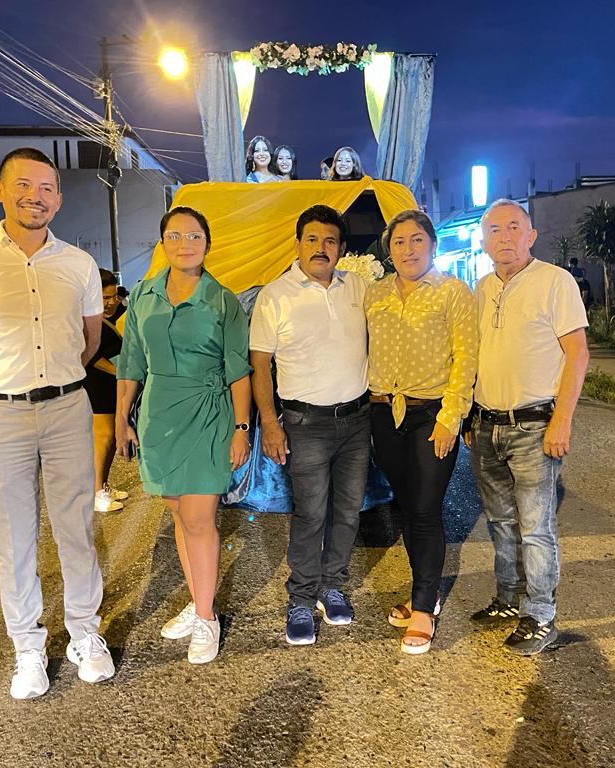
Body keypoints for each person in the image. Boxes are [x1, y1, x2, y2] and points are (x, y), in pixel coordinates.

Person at [0, 147, 115, 700]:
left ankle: (85, 633)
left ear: (58, 200)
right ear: (0, 190)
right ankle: (28, 647)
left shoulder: (78, 264)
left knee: (75, 527)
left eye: (45, 188)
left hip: (66, 408)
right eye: (23, 185)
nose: (34, 196)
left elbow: (90, 339)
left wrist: (58, 377)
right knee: (14, 536)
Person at [115, 206, 252, 665]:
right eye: (174, 235)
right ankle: (199, 601)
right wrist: (121, 418)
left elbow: (239, 370)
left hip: (209, 413)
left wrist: (241, 428)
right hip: (158, 415)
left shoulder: (223, 301)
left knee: (199, 517)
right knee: (178, 512)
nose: (184, 244)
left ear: (208, 244)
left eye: (194, 236)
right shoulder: (143, 295)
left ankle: (207, 618)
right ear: (162, 243)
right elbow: (131, 361)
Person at [466, 199, 589, 656]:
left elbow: (578, 354)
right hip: (486, 425)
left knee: (536, 526)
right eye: (495, 230)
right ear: (484, 241)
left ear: (531, 235)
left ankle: (540, 614)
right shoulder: (481, 288)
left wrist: (562, 420)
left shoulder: (555, 282)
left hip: (535, 425)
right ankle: (508, 599)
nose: (505, 237)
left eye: (514, 227)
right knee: (500, 521)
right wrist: (469, 416)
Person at [250, 205, 370, 646]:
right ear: (298, 244)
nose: (321, 248)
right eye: (313, 239)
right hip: (305, 424)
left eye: (330, 241)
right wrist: (270, 423)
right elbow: (259, 365)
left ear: (342, 248)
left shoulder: (357, 287)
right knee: (310, 513)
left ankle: (331, 586)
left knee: (349, 510)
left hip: (357, 421)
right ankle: (300, 597)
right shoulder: (275, 296)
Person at [365, 210, 477, 655]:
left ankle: (424, 610)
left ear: (432, 244)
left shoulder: (452, 291)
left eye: (416, 240)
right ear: (388, 250)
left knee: (426, 509)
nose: (408, 249)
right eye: (399, 242)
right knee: (408, 507)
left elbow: (465, 358)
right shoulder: (374, 293)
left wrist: (452, 417)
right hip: (384, 413)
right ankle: (422, 594)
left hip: (432, 414)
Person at [85, 268, 129, 512]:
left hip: (114, 381)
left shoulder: (119, 313)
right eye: (105, 298)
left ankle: (103, 485)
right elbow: (88, 355)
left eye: (114, 296)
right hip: (97, 381)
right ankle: (97, 493)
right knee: (103, 437)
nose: (111, 302)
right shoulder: (85, 319)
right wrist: (118, 372)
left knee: (113, 436)